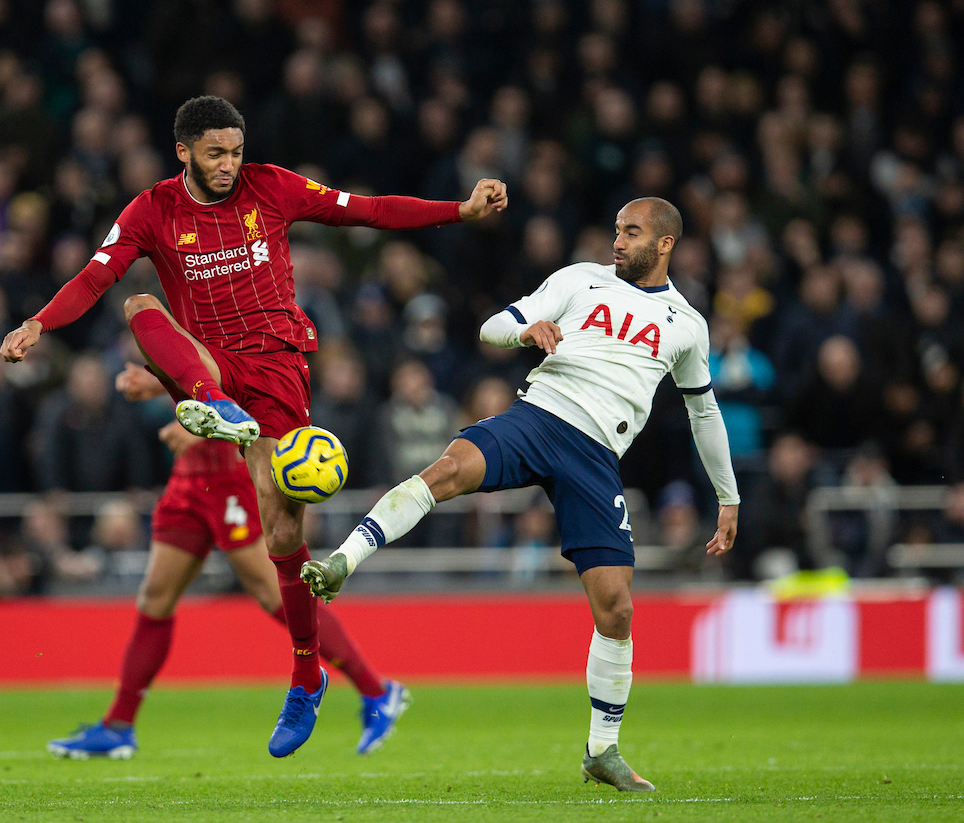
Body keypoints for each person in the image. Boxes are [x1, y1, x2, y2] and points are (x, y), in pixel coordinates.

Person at [0, 93, 503, 757]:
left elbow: (367, 211)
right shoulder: (152, 210)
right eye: (215, 153)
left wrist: (458, 211)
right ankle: (213, 406)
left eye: (235, 151)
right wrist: (40, 321)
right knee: (139, 300)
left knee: (283, 532)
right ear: (183, 151)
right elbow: (96, 276)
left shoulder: (271, 186)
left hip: (276, 369)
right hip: (213, 368)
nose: (228, 165)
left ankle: (306, 675)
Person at [302, 198, 739, 792]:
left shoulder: (687, 325)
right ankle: (343, 560)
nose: (617, 241)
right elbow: (493, 325)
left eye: (631, 233)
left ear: (665, 244)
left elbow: (704, 411)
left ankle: (602, 750)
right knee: (447, 470)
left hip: (596, 458)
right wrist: (527, 329)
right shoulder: (578, 279)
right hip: (540, 416)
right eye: (615, 230)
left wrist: (728, 497)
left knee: (616, 608)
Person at [47, 364, 409, 759]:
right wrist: (158, 380)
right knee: (155, 597)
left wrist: (192, 427)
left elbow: (233, 376)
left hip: (230, 474)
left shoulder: (227, 309)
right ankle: (119, 725)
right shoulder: (179, 315)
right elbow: (195, 368)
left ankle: (376, 690)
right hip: (189, 479)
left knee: (277, 597)